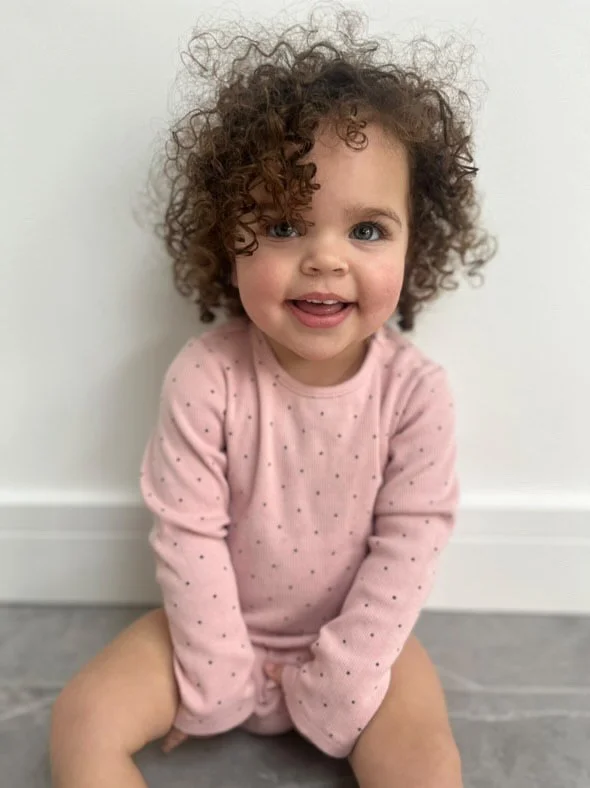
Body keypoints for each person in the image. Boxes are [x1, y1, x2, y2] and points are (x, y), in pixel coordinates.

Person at [50, 8, 496, 787]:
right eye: (287, 224)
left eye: (366, 231)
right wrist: (215, 670)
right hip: (209, 629)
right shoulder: (206, 376)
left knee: (428, 762)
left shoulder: (416, 394)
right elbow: (186, 530)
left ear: (413, 243)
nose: (326, 259)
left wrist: (345, 682)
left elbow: (410, 548)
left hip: (357, 640)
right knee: (81, 719)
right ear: (230, 238)